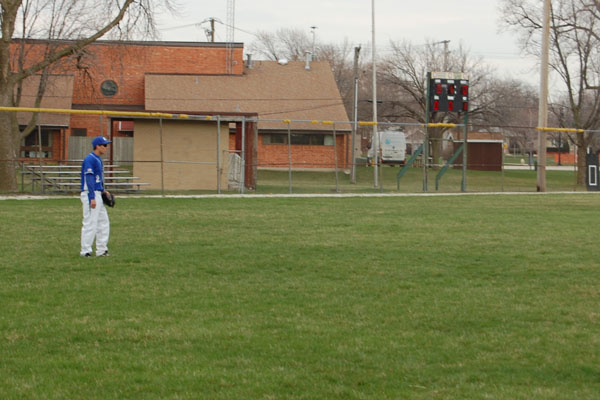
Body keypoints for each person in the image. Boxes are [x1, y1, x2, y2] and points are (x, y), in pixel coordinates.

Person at [80, 136, 112, 257]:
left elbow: (97, 179)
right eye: (104, 145)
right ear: (97, 146)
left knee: (103, 222)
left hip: (97, 193)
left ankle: (102, 250)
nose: (106, 148)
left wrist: (103, 190)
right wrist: (92, 197)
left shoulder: (97, 159)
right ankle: (86, 251)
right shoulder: (90, 159)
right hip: (90, 193)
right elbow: (89, 178)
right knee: (90, 223)